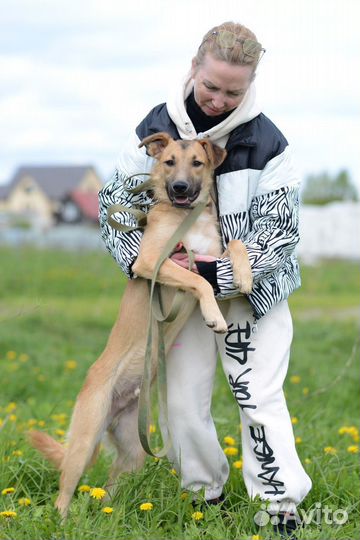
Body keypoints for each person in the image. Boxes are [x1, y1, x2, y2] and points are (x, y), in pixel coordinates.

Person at [98, 21, 312, 537]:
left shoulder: (269, 142)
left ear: (251, 83)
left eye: (231, 91)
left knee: (257, 393)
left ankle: (279, 505)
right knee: (183, 399)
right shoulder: (155, 126)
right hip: (178, 289)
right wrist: (152, 267)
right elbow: (114, 210)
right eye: (210, 85)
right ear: (194, 67)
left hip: (248, 291)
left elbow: (279, 234)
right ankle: (204, 494)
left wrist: (218, 275)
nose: (217, 99)